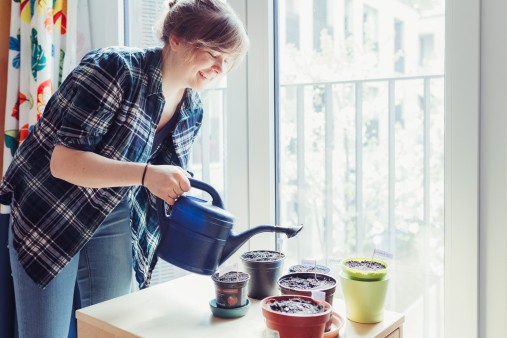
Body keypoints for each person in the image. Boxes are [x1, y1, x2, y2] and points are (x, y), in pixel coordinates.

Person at [0, 0, 249, 337]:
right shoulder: (114, 69)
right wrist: (147, 175)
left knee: (110, 326)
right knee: (47, 333)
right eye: (213, 52)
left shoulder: (191, 108)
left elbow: (158, 182)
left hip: (112, 208)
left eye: (228, 59)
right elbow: (63, 163)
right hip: (49, 209)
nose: (220, 67)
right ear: (176, 38)